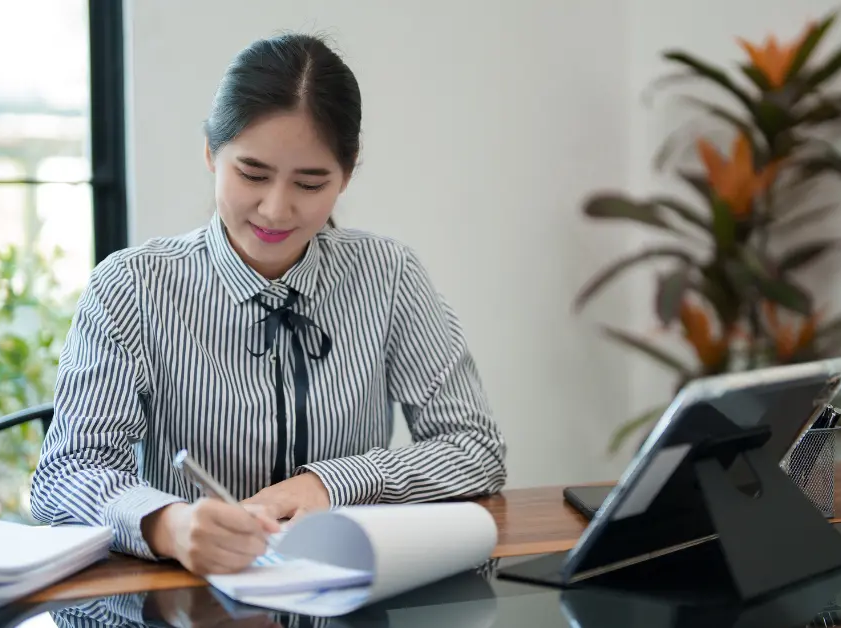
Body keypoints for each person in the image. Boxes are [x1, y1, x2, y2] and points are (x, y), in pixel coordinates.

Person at [29, 32, 507, 577]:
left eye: (311, 183)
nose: (276, 210)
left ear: (347, 174)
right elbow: (66, 475)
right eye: (252, 174)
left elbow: (475, 449)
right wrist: (170, 525)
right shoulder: (131, 287)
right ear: (211, 152)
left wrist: (332, 482)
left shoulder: (389, 275)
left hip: (346, 588)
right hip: (185, 595)